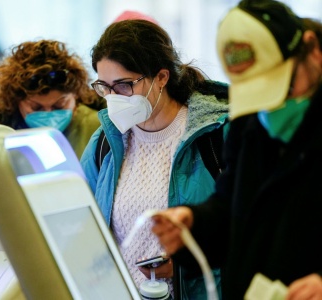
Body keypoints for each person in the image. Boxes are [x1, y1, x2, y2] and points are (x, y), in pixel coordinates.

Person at [151, 1, 322, 299]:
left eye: (283, 86)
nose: (272, 104)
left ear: (312, 51)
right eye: (258, 91)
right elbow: (231, 210)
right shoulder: (250, 124)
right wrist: (193, 225)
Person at [80, 19, 230, 299]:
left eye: (124, 85)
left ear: (162, 77)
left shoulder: (213, 137)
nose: (113, 98)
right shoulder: (105, 142)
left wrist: (186, 267)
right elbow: (81, 226)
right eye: (104, 86)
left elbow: (245, 231)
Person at [0, 39, 104, 163]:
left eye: (59, 105)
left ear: (76, 95)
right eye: (36, 107)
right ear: (15, 101)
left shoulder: (96, 127)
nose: (48, 113)